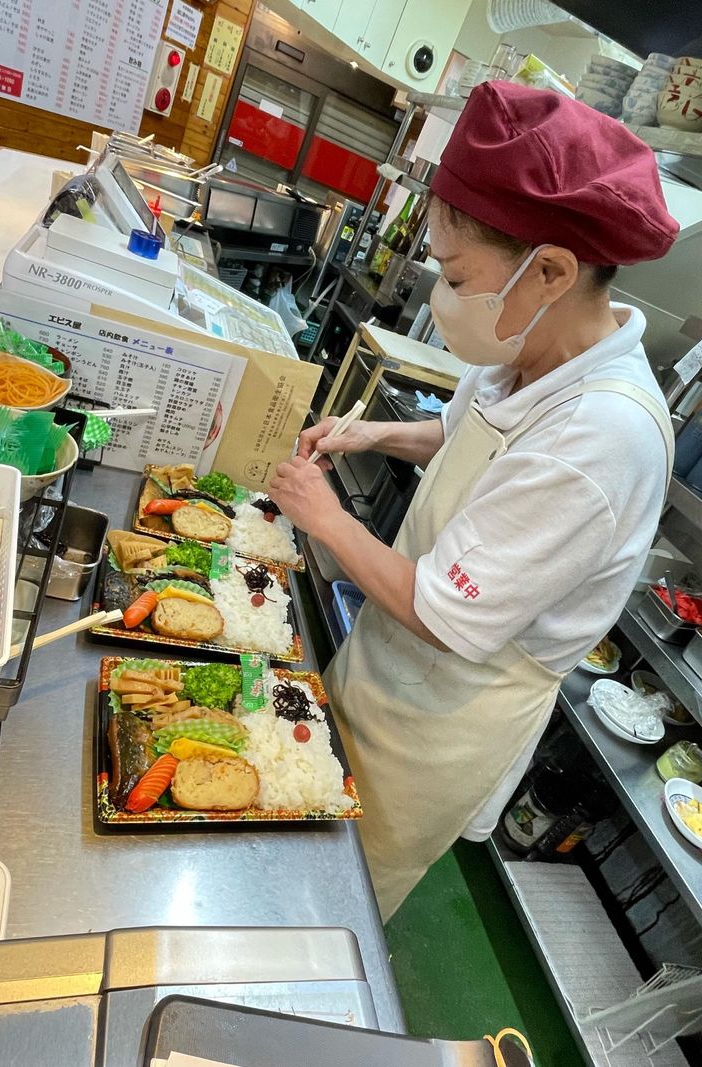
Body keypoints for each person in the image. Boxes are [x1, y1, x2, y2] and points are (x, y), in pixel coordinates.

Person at [269, 81, 679, 922]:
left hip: (439, 719)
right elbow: (463, 438)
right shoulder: (531, 350)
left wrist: (325, 516)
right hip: (387, 664)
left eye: (456, 277)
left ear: (551, 272)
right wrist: (373, 434)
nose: (442, 296)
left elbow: (446, 614)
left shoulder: (603, 435)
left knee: (327, 900)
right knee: (293, 816)